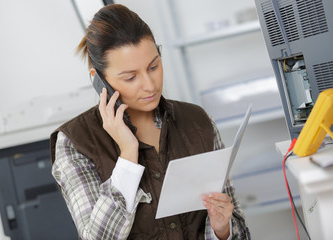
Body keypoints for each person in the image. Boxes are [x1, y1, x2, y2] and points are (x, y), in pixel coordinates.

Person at [50, 4, 250, 240]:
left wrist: (221, 230)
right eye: (131, 77)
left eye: (154, 66)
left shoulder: (197, 121)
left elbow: (240, 232)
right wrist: (127, 154)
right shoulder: (75, 142)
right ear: (99, 80)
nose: (150, 84)